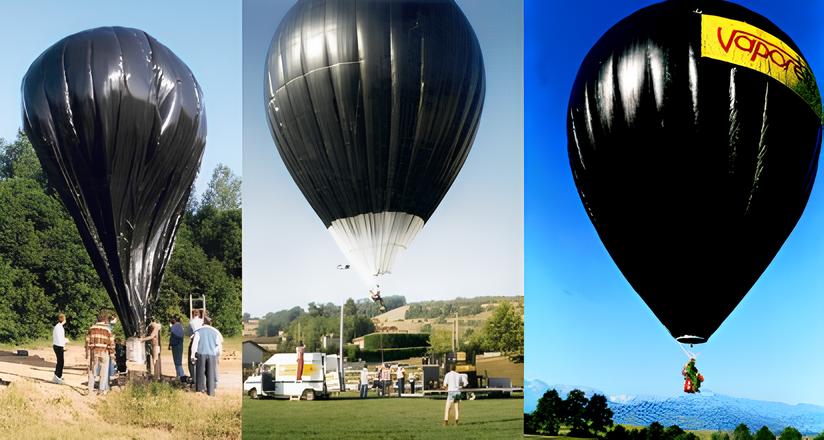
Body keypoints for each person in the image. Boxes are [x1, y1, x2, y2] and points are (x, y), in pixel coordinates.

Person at [191, 317, 223, 396]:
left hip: (201, 353)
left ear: (203, 323)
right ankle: (211, 392)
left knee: (200, 372)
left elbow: (194, 344)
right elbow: (219, 345)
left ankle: (200, 390)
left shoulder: (199, 331)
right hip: (212, 355)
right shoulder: (215, 332)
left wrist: (193, 356)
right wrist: (218, 354)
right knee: (211, 373)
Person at [85, 312, 115, 395]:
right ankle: (101, 390)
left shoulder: (92, 328)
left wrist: (87, 352)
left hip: (94, 351)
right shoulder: (108, 329)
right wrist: (112, 354)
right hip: (104, 351)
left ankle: (90, 388)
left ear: (97, 319)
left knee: (92, 370)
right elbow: (111, 342)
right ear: (105, 320)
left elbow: (87, 341)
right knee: (104, 371)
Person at [188, 309, 203, 382]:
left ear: (193, 314)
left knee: (191, 359)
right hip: (201, 340)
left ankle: (193, 376)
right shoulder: (202, 321)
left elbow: (189, 333)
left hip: (194, 339)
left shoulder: (191, 322)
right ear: (199, 314)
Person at [169, 316, 185, 380]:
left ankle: (181, 375)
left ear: (175, 320)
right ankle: (178, 375)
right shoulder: (180, 326)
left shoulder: (175, 326)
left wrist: (171, 344)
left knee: (177, 362)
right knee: (178, 361)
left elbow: (173, 337)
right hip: (179, 345)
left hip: (176, 346)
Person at [52, 313, 67, 384]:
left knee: (60, 362)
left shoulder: (58, 326)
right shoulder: (59, 327)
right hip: (58, 346)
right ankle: (58, 377)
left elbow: (60, 337)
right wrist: (64, 343)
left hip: (57, 345)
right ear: (63, 319)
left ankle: (57, 376)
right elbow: (60, 338)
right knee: (60, 362)